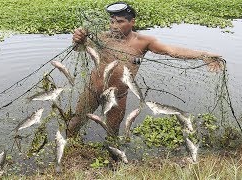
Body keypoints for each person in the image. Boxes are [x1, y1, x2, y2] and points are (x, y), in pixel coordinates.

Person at [67, 2, 223, 138]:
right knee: (75, 122)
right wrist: (78, 40)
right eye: (112, 22)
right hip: (93, 90)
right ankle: (69, 149)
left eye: (120, 22)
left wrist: (203, 55)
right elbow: (79, 49)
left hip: (118, 96)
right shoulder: (102, 37)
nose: (114, 26)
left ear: (132, 21)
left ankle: (113, 162)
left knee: (113, 131)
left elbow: (172, 50)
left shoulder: (144, 42)